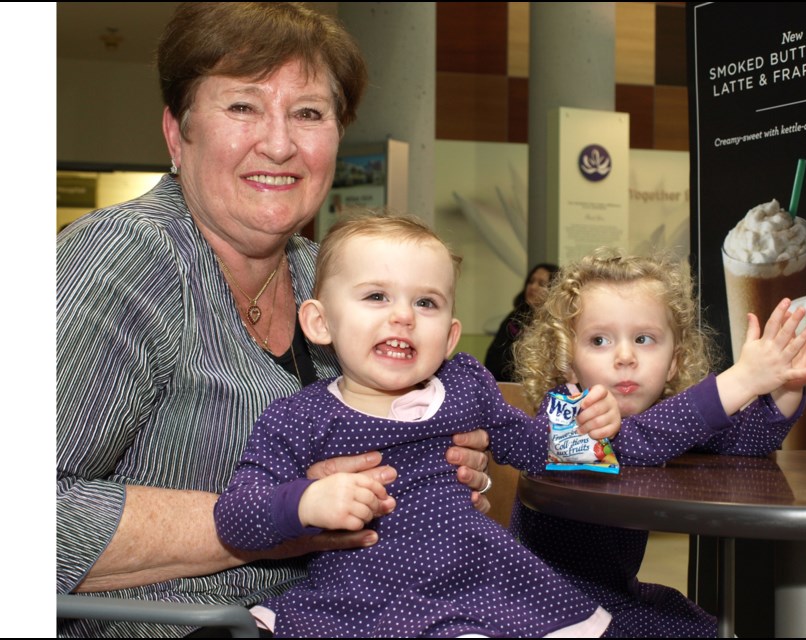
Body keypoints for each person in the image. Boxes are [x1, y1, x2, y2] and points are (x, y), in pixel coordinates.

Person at [56, 5, 491, 637]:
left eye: (309, 113)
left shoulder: (335, 279)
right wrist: (286, 517)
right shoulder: (124, 259)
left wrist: (449, 461)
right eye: (242, 107)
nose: (281, 143)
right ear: (177, 134)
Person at [213, 213, 623, 637]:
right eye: (376, 296)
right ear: (320, 322)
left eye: (426, 303)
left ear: (449, 337)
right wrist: (304, 502)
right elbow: (235, 516)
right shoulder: (299, 418)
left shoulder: (465, 386)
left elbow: (537, 448)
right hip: (360, 601)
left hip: (478, 586)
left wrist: (592, 427)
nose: (403, 317)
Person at [512, 249, 806, 637]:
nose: (625, 356)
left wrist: (786, 386)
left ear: (674, 361)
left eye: (644, 339)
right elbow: (635, 442)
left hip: (613, 598)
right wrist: (741, 379)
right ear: (568, 362)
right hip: (543, 609)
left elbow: (747, 440)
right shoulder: (562, 416)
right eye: (599, 340)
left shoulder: (668, 418)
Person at [483, 262, 559, 381]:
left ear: (554, 290)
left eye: (541, 283)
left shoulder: (558, 323)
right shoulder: (514, 318)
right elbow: (493, 358)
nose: (533, 287)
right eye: (531, 281)